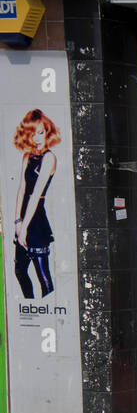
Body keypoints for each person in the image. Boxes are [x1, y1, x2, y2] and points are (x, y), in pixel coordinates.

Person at [11, 109, 60, 299]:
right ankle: (32, 307)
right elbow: (22, 190)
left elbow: (35, 194)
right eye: (33, 133)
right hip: (23, 216)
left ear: (47, 132)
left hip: (37, 221)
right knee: (20, 271)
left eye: (41, 132)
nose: (37, 137)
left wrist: (24, 228)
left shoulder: (49, 158)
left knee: (43, 276)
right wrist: (17, 222)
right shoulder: (27, 157)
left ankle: (50, 313)